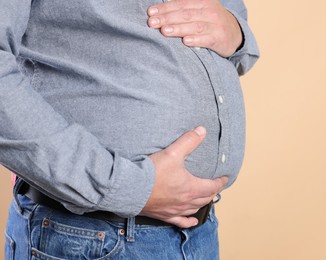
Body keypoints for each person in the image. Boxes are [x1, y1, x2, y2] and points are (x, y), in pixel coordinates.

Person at [0, 0, 259, 259]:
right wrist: (124, 187)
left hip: (199, 234)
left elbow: (227, 18)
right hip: (89, 237)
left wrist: (237, 32)